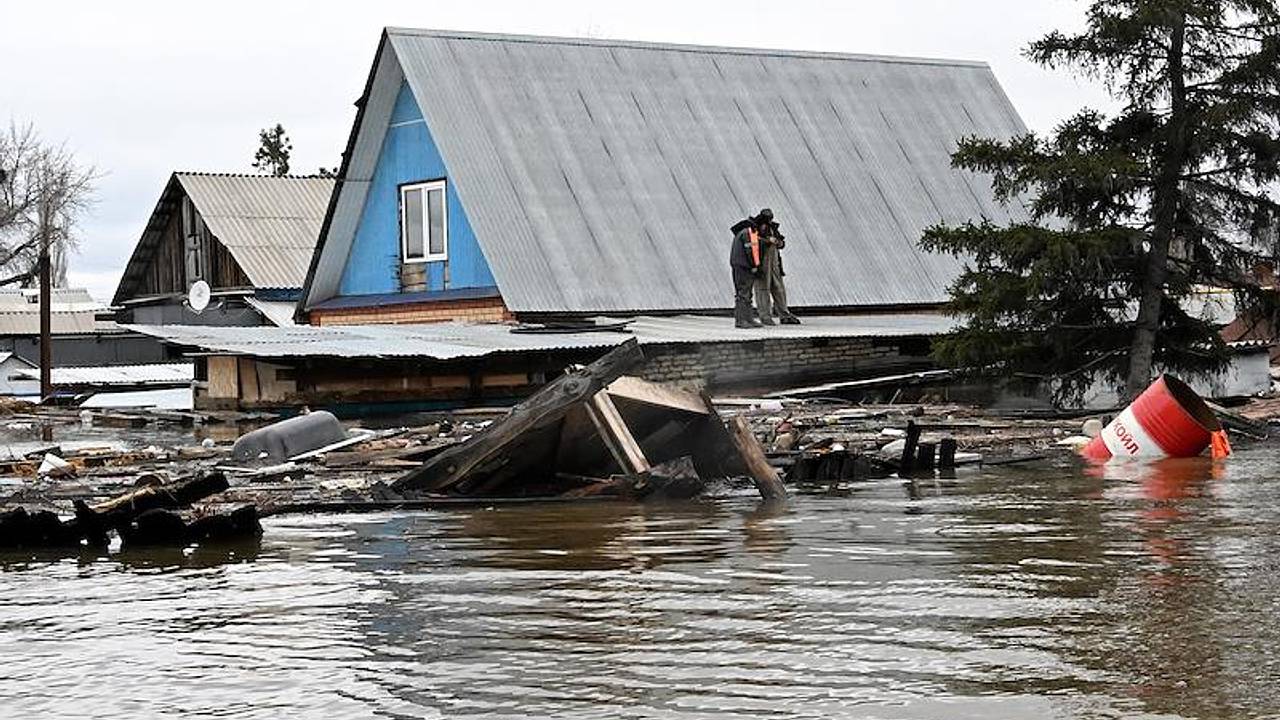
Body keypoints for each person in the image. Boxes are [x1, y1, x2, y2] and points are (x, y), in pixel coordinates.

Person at [754, 215, 801, 325]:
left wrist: (778, 242)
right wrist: (766, 240)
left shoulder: (773, 228)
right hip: (762, 264)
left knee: (779, 289)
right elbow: (753, 242)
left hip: (774, 264)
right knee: (762, 290)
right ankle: (765, 316)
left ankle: (784, 314)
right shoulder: (755, 229)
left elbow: (781, 243)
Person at [729, 210, 767, 328]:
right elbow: (752, 251)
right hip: (744, 267)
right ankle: (741, 320)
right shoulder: (749, 233)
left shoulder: (744, 231)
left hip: (741, 265)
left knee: (747, 294)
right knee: (743, 293)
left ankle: (748, 319)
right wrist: (755, 266)